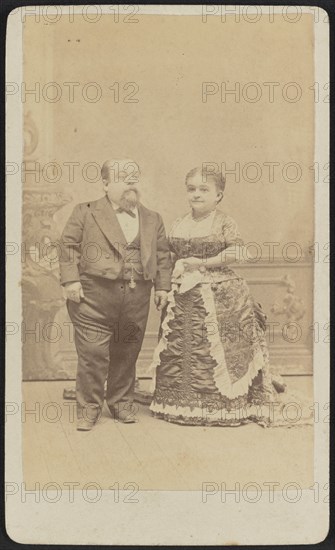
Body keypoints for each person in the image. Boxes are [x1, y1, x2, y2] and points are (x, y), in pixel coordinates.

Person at [149, 166, 283, 427]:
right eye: (191, 189)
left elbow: (237, 252)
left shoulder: (224, 221)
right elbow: (169, 255)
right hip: (183, 295)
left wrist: (203, 262)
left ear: (218, 195)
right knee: (181, 347)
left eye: (204, 189)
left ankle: (222, 406)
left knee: (214, 348)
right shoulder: (179, 222)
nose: (196, 194)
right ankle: (181, 403)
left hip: (220, 292)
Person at [59, 159, 172, 430]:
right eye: (123, 178)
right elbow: (68, 246)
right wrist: (70, 281)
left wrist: (163, 287)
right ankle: (89, 408)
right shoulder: (85, 212)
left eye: (135, 177)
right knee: (93, 354)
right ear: (106, 184)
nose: (131, 183)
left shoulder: (152, 218)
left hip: (136, 298)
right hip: (92, 297)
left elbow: (162, 255)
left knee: (127, 351)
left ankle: (121, 402)